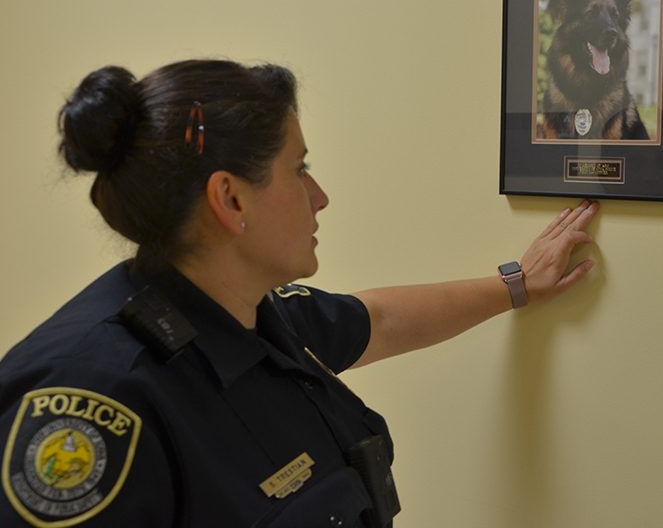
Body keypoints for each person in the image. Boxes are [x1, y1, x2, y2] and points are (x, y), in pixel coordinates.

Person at [0, 59, 598, 527]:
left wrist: (518, 283)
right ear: (231, 200)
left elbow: (381, 320)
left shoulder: (246, 315)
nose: (319, 196)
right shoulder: (94, 401)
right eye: (299, 167)